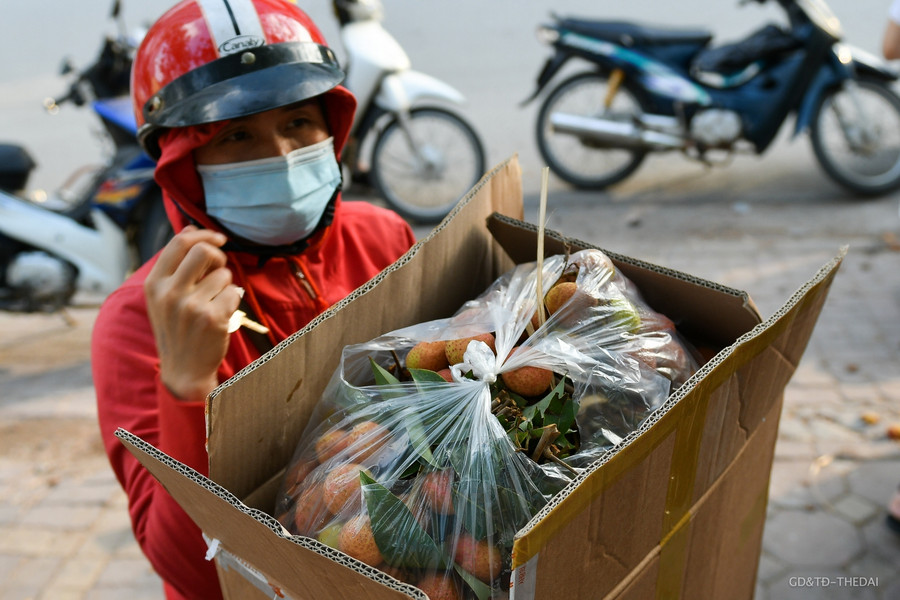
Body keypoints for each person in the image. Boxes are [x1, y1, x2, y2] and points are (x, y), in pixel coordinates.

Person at [91, 1, 416, 598]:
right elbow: (195, 573)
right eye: (237, 134)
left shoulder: (382, 237)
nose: (282, 156)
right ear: (183, 162)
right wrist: (186, 387)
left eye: (299, 121)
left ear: (333, 123)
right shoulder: (140, 320)